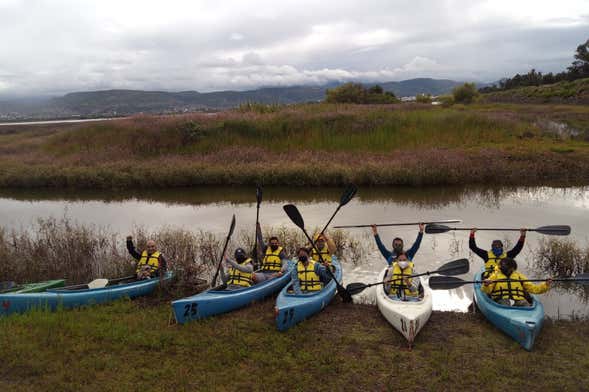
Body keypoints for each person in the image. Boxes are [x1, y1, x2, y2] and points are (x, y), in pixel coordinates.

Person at [482, 257, 552, 307]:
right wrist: (486, 285)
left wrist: (545, 285)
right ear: (504, 267)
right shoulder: (495, 276)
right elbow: (487, 291)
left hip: (518, 300)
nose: (511, 270)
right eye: (510, 268)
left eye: (512, 269)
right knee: (505, 304)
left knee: (526, 305)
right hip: (502, 299)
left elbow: (533, 288)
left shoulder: (519, 276)